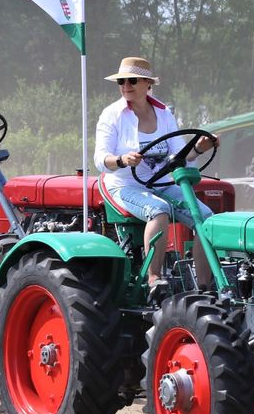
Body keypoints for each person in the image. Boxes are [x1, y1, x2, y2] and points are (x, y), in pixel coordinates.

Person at [93, 56, 217, 292]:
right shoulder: (112, 115)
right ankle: (154, 279)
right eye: (121, 82)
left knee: (207, 220)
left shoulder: (164, 113)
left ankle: (204, 286)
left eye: (132, 80)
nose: (125, 86)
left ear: (147, 84)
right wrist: (121, 160)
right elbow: (101, 159)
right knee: (158, 210)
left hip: (159, 184)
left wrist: (200, 147)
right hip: (125, 186)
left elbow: (179, 154)